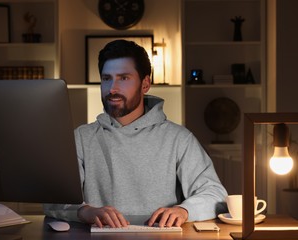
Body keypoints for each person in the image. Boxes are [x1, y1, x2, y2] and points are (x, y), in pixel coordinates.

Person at [44, 39, 227, 228]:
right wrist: (85, 212)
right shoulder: (81, 138)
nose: (112, 88)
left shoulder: (179, 139)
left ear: (145, 84)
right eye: (107, 78)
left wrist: (184, 211)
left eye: (123, 78)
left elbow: (215, 194)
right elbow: (53, 200)